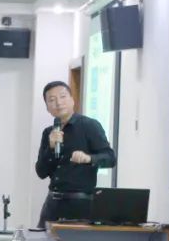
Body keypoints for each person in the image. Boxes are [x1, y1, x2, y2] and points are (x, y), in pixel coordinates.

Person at [35, 80, 117, 227]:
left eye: (62, 96)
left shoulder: (89, 125)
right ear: (47, 107)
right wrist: (51, 148)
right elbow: (41, 172)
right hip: (52, 204)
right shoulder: (49, 132)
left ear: (72, 100)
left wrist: (88, 158)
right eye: (52, 100)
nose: (58, 103)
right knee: (41, 240)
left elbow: (110, 158)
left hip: (80, 205)